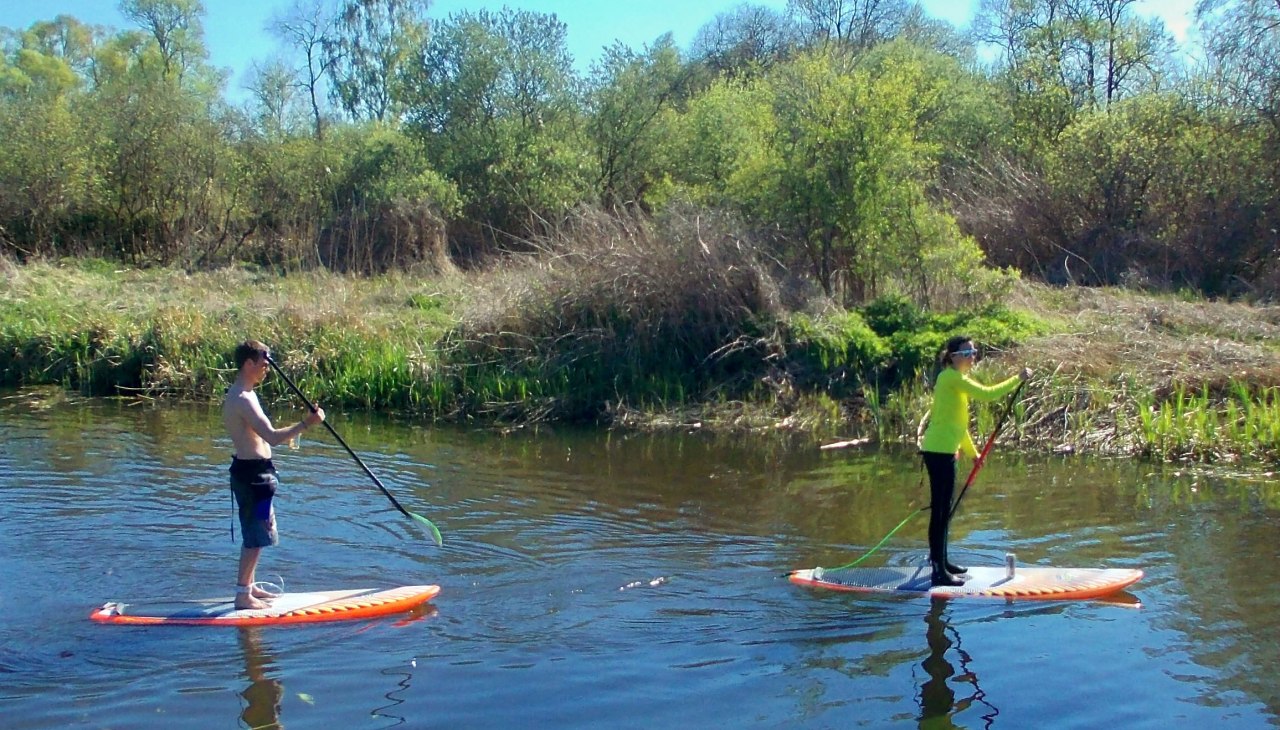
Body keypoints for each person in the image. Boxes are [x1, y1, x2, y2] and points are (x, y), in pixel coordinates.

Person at [919, 336, 1030, 587]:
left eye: (974, 351)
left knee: (944, 510)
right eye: (967, 352)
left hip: (945, 450)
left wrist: (973, 453)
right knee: (940, 511)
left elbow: (959, 425)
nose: (972, 357)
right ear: (953, 356)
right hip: (938, 452)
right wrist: (1017, 379)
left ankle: (942, 561)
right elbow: (988, 395)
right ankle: (938, 570)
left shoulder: (955, 382)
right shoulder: (950, 378)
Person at [222, 340, 325, 609]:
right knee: (256, 537)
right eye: (264, 364)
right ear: (248, 364)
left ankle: (250, 586)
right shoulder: (243, 399)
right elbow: (272, 437)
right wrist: (307, 424)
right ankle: (242, 595)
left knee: (258, 534)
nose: (267, 369)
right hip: (254, 479)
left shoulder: (245, 393)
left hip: (255, 475)